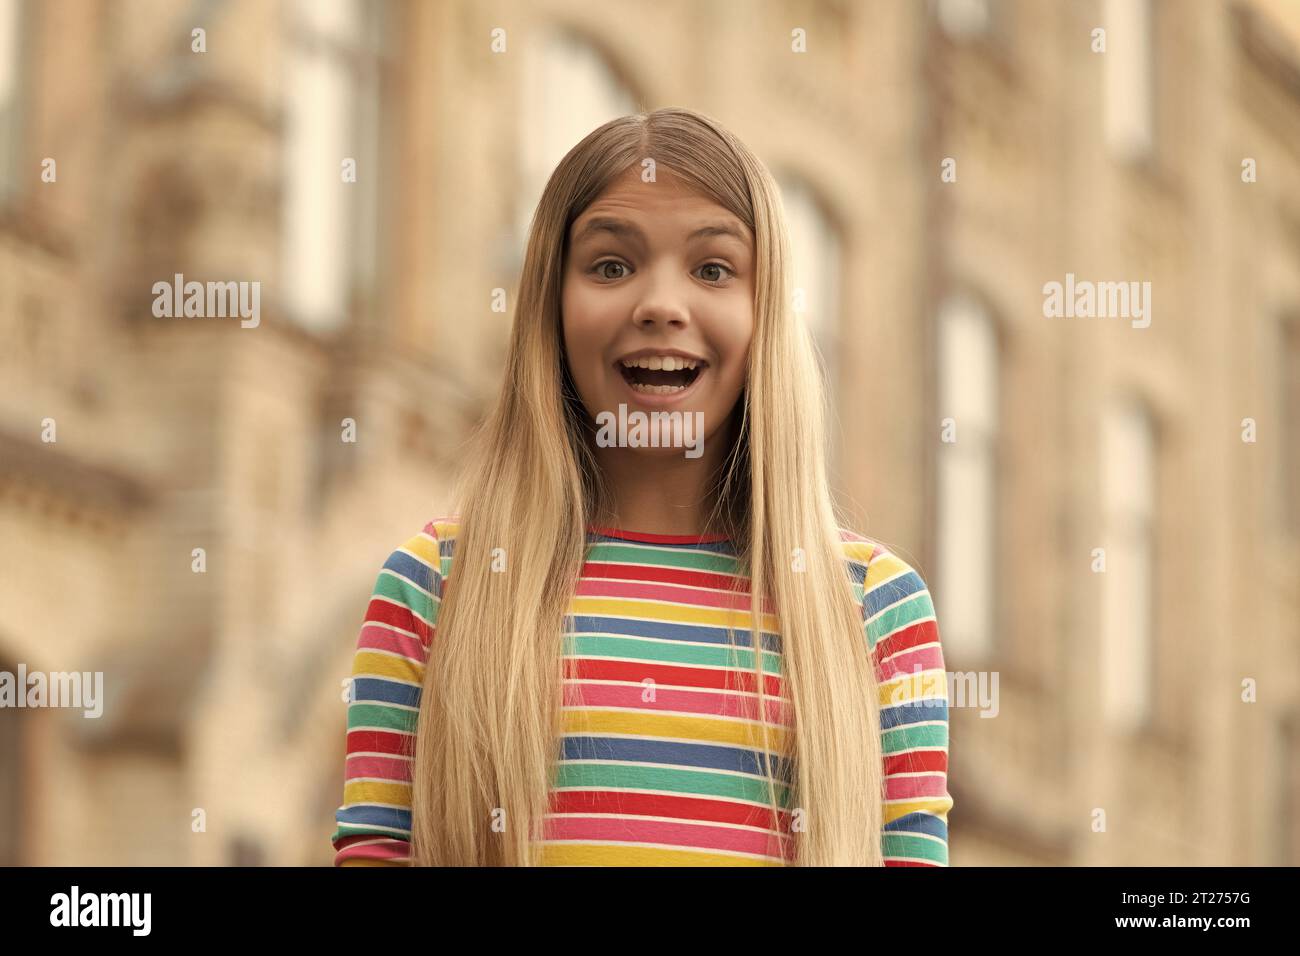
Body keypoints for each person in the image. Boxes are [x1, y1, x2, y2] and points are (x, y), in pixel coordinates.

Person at [331, 107, 953, 866]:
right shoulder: (432, 588)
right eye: (611, 266)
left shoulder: (880, 612)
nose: (661, 304)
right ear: (551, 310)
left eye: (713, 269)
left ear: (766, 314)